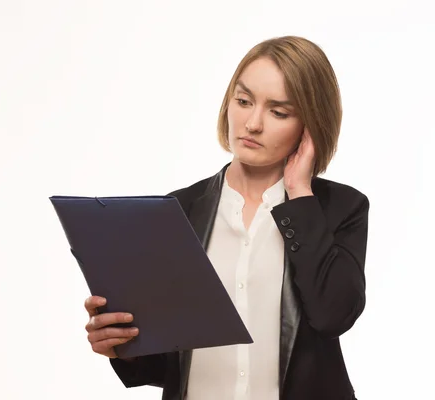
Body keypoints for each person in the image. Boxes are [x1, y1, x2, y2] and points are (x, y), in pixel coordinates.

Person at [83, 35, 369, 400]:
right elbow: (164, 364)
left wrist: (298, 193)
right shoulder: (177, 212)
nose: (252, 123)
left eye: (279, 112)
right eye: (243, 101)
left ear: (310, 125)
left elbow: (334, 316)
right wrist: (119, 344)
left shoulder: (341, 209)